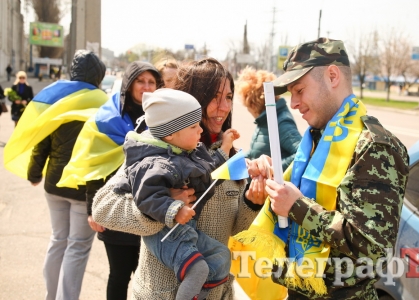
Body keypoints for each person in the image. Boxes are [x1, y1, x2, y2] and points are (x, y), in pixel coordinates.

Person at [245, 38, 409, 300]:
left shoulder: (375, 146)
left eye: (299, 90)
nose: (294, 103)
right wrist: (270, 187)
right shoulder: (318, 139)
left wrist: (298, 207)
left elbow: (374, 249)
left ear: (332, 76)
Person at [91, 57, 265, 300]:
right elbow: (103, 208)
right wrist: (162, 206)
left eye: (228, 97)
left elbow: (236, 230)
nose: (224, 107)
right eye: (214, 97)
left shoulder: (229, 157)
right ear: (192, 98)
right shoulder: (157, 149)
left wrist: (252, 202)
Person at [115, 88, 240, 300]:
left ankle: (196, 293)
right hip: (166, 235)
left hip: (185, 231)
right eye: (194, 126)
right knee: (198, 269)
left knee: (221, 257)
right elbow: (147, 198)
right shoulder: (153, 164)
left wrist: (225, 148)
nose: (200, 130)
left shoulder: (185, 149)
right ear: (171, 133)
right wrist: (174, 209)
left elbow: (208, 170)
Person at [4, 50, 108, 300]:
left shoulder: (58, 99)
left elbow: (42, 142)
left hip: (53, 184)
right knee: (78, 248)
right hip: (84, 188)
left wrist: (34, 173)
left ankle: (51, 296)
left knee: (58, 240)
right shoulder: (102, 104)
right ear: (99, 76)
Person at [57, 61, 162, 300]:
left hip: (151, 209)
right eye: (140, 81)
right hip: (117, 209)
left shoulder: (162, 118)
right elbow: (94, 166)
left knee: (148, 277)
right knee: (119, 274)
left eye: (151, 82)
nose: (146, 87)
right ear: (128, 83)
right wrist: (93, 209)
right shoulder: (108, 118)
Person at [236, 66, 302, 171]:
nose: (248, 110)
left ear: (253, 103)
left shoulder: (281, 122)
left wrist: (271, 170)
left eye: (247, 106)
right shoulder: (264, 120)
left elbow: (301, 154)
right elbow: (255, 152)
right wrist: (240, 159)